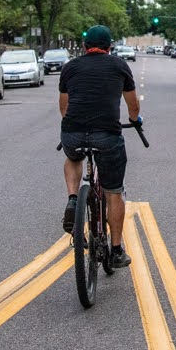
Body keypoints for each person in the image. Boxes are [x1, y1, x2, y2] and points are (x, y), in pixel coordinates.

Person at [59, 25, 142, 269]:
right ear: (109, 47)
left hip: (73, 132)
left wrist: (70, 127)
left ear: (84, 47)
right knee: (113, 190)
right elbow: (133, 106)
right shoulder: (119, 66)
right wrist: (135, 121)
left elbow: (64, 107)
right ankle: (116, 250)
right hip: (107, 135)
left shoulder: (70, 67)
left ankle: (73, 199)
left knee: (73, 158)